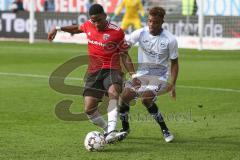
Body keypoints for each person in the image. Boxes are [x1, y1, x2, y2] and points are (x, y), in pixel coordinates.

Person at [48, 4, 136, 144]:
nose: (96, 23)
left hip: (112, 69)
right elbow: (77, 28)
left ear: (105, 16)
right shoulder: (89, 25)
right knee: (89, 109)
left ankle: (112, 131)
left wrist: (134, 75)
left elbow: (124, 55)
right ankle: (107, 130)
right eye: (93, 20)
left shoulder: (117, 32)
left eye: (98, 20)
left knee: (114, 93)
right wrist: (58, 29)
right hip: (94, 72)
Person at [119, 6, 179, 143]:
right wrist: (133, 75)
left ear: (162, 22)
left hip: (160, 76)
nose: (152, 25)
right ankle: (125, 129)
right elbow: (123, 51)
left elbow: (175, 63)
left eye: (156, 22)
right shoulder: (140, 33)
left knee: (146, 99)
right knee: (124, 97)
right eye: (150, 21)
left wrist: (172, 84)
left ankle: (165, 130)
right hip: (141, 74)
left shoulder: (170, 40)